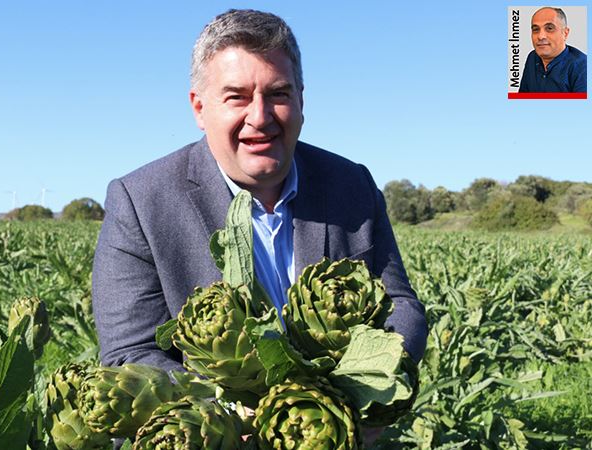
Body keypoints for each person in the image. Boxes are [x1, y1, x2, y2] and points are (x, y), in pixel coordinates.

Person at [93, 9, 427, 373]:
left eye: (278, 93)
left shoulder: (353, 185)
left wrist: (361, 393)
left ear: (301, 100)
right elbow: (130, 352)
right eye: (237, 97)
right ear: (200, 108)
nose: (260, 116)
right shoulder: (141, 203)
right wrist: (228, 414)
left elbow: (400, 306)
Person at [519, 7, 587, 93]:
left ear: (565, 33)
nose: (541, 36)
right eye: (536, 29)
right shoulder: (532, 57)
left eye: (549, 28)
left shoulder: (583, 66)